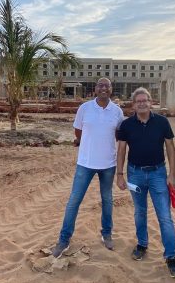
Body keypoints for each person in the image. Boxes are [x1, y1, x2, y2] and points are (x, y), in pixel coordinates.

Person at [52, 77, 124, 258]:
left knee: (107, 200)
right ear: (95, 89)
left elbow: (118, 134)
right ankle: (64, 239)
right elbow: (78, 131)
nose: (103, 88)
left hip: (108, 164)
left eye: (107, 85)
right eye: (100, 85)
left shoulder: (117, 111)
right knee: (74, 201)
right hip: (85, 163)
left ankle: (106, 233)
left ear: (111, 89)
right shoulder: (84, 108)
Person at [116, 87, 175, 278]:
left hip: (158, 174)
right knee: (140, 212)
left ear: (150, 102)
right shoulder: (126, 125)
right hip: (135, 174)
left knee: (164, 216)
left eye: (145, 100)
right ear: (133, 104)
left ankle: (171, 257)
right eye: (138, 101)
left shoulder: (162, 122)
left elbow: (170, 147)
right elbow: (121, 150)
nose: (142, 103)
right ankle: (142, 244)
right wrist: (119, 174)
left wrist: (172, 174)